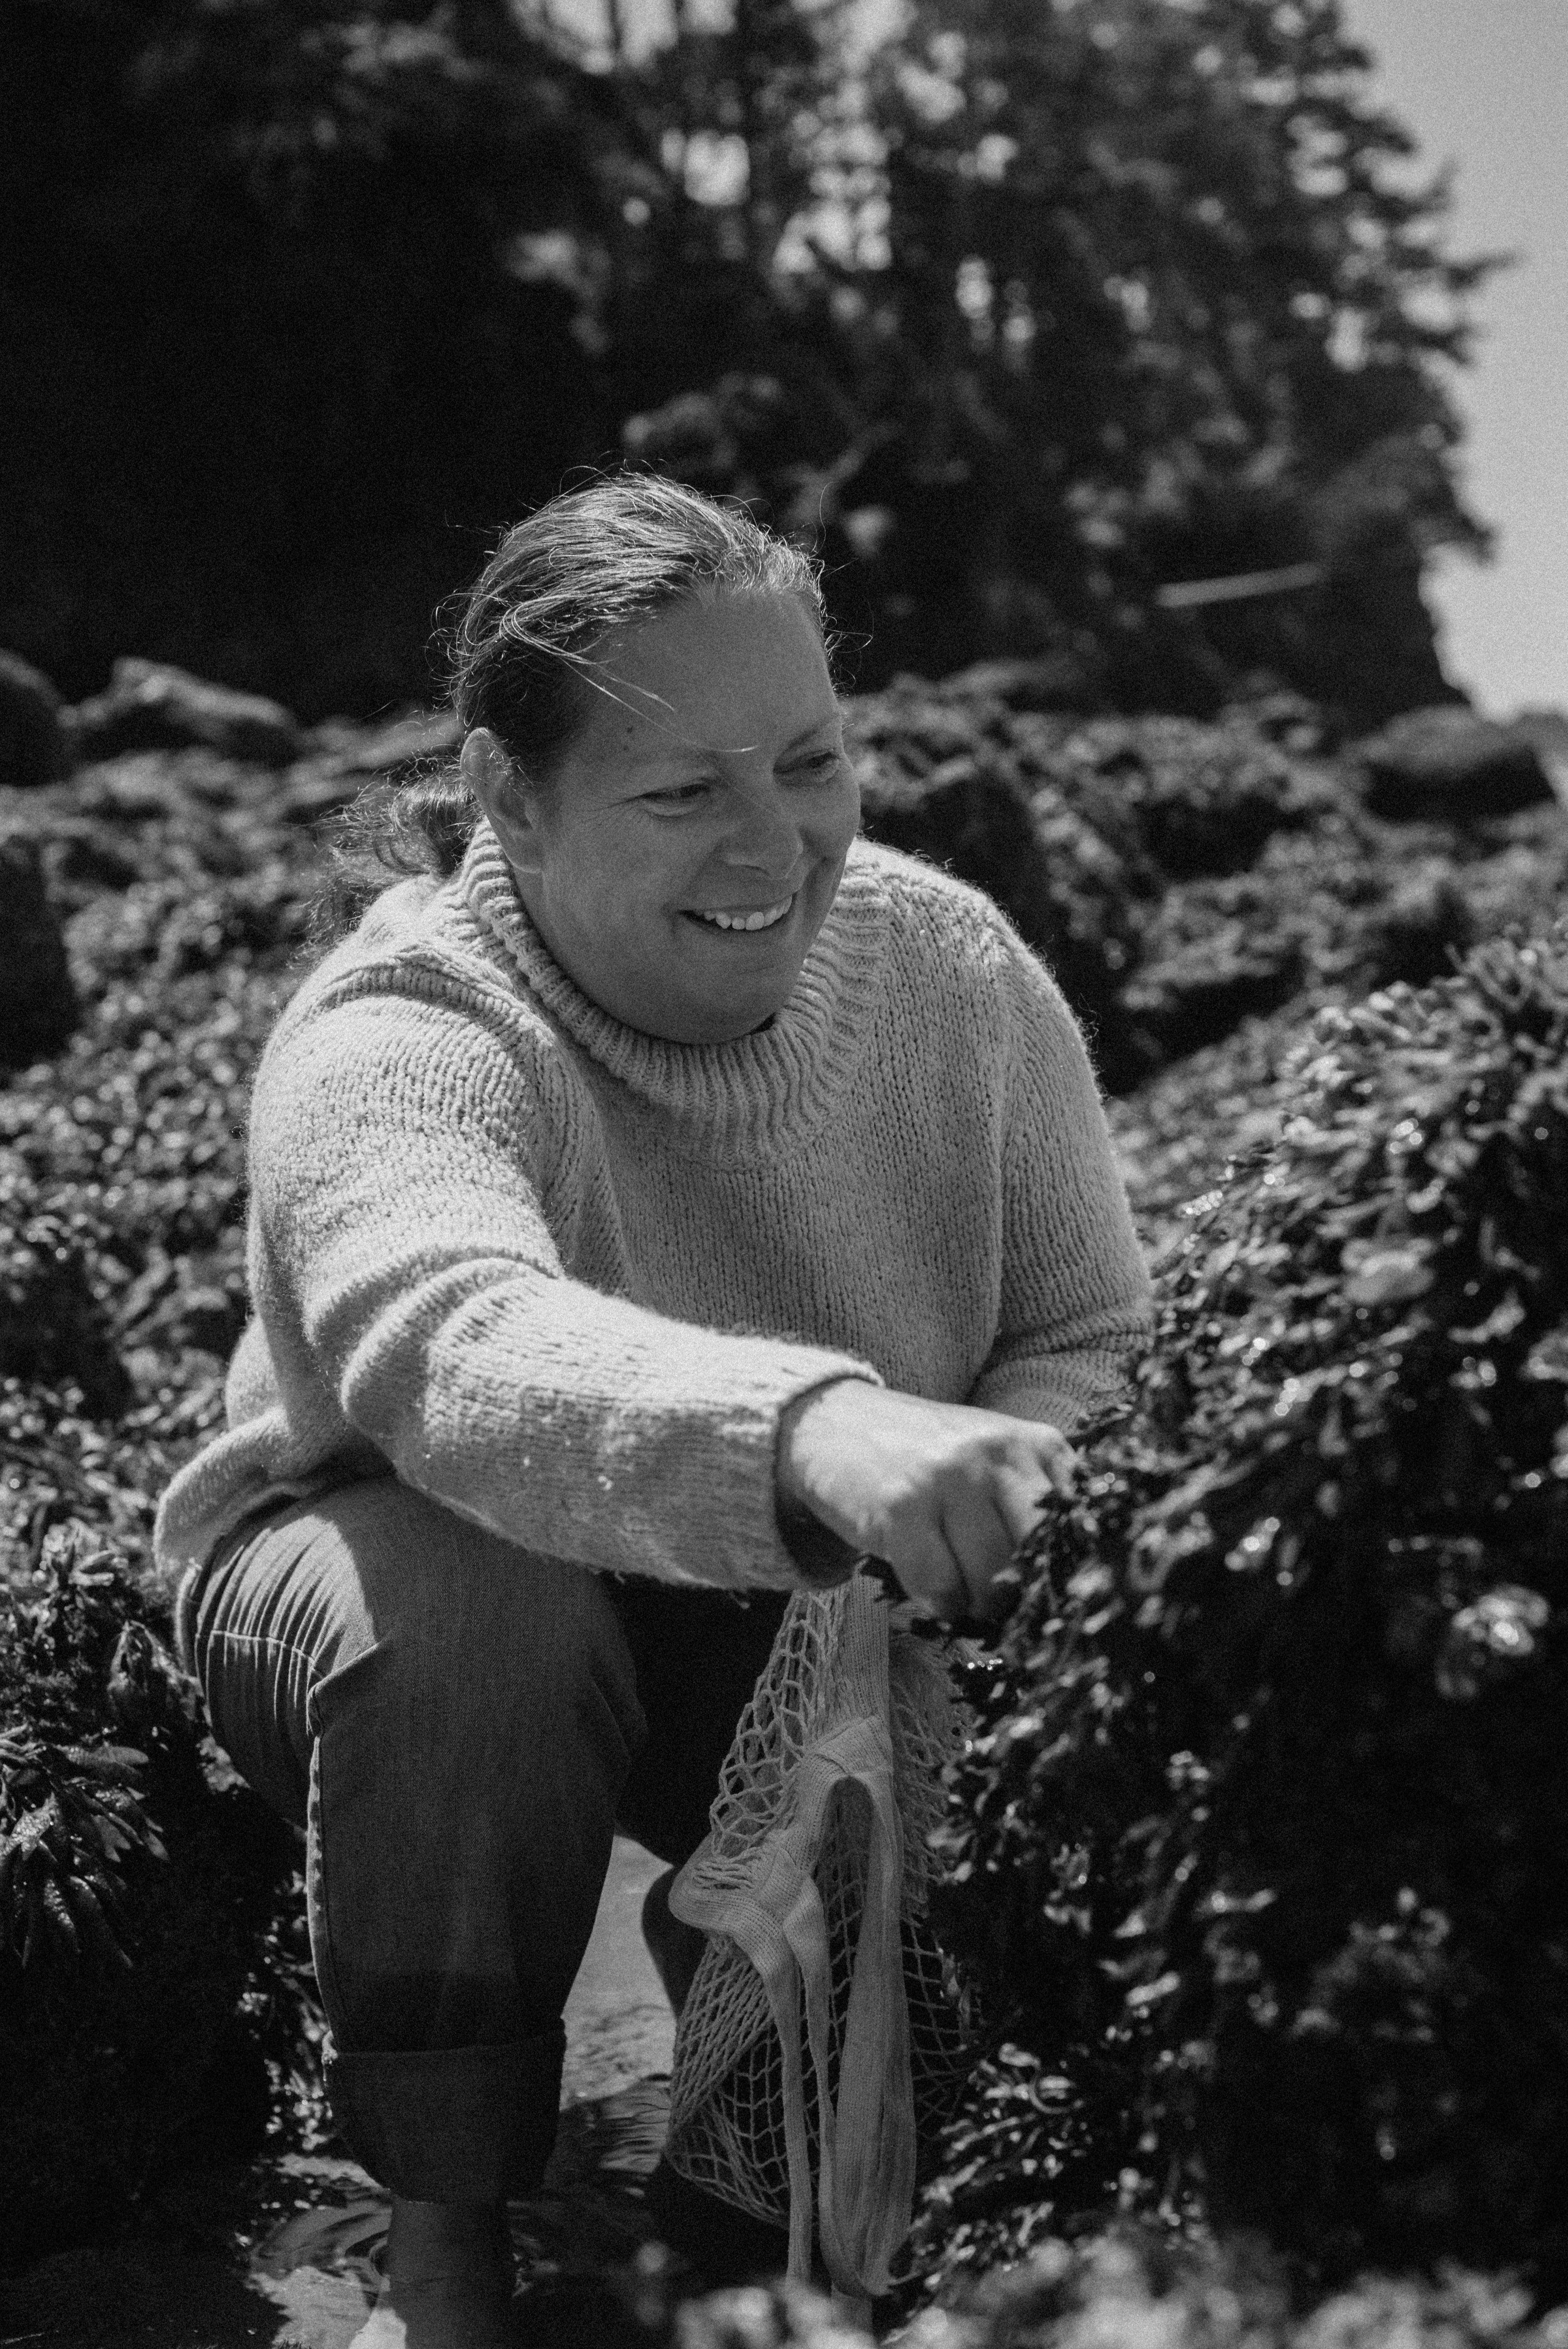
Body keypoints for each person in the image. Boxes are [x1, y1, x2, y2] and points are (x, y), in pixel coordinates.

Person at [155, 474, 1153, 2347]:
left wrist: (983, 1492)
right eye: (683, 792)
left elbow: (1088, 1325)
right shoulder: (402, 1028)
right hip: (382, 1567)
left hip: (783, 1598)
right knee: (477, 1620)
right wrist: (819, 1433)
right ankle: (442, 2241)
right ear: (506, 795)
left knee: (784, 2224)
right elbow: (448, 1335)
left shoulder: (948, 971)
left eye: (811, 761)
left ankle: (732, 2188)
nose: (773, 841)